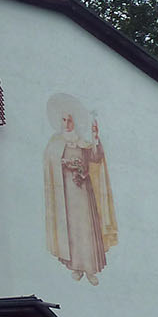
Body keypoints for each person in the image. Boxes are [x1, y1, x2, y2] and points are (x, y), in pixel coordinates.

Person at [42, 94, 118, 285]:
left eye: (70, 120)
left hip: (84, 191)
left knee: (87, 228)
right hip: (66, 194)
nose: (67, 123)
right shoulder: (55, 142)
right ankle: (76, 267)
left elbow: (95, 157)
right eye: (64, 120)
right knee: (72, 229)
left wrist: (96, 139)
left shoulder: (83, 141)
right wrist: (65, 163)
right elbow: (50, 162)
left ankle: (91, 269)